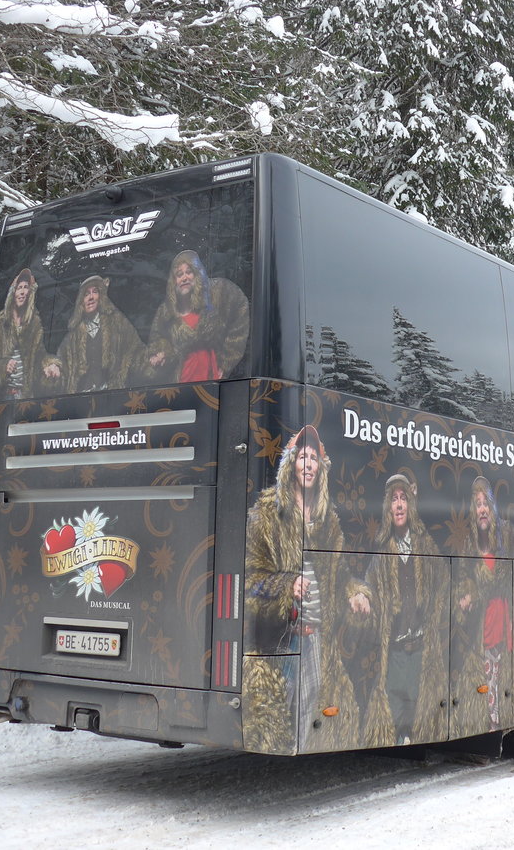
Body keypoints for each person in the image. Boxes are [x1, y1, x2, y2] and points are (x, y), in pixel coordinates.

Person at [242, 425, 362, 754]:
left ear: (320, 469)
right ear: (291, 465)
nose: (307, 464)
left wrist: (355, 592)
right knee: (280, 711)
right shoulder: (268, 513)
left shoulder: (328, 520)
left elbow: (340, 576)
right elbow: (249, 579)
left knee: (308, 711)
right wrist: (286, 585)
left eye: (313, 459)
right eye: (302, 457)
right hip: (282, 636)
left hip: (316, 636)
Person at [353, 474, 447, 746]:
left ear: (410, 505)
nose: (399, 505)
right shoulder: (383, 553)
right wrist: (361, 595)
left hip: (422, 652)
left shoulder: (425, 547)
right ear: (388, 508)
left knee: (421, 716)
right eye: (393, 499)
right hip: (394, 654)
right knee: (394, 719)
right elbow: (368, 586)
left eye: (403, 498)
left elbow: (444, 585)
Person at [454, 476, 514, 731]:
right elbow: (462, 582)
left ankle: (498, 726)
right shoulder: (469, 545)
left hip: (501, 627)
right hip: (480, 631)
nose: (481, 509)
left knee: (500, 681)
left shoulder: (506, 537)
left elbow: (502, 581)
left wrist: (476, 591)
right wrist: (465, 596)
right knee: (484, 683)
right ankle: (490, 727)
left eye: (485, 503)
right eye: (477, 504)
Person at [145, 250, 249, 383]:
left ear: (197, 274)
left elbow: (239, 310)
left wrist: (226, 361)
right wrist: (161, 353)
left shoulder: (218, 296)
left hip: (212, 383)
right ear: (174, 281)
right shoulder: (166, 312)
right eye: (179, 274)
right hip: (181, 383)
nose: (184, 278)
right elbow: (157, 340)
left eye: (189, 272)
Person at [55, 275, 145, 393]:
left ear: (101, 297)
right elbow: (60, 364)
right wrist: (53, 368)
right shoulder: (73, 335)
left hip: (113, 399)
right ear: (81, 301)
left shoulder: (118, 323)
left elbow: (137, 350)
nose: (91, 297)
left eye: (95, 292)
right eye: (86, 294)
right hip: (81, 402)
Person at [0, 268, 59, 399]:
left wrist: (50, 364)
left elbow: (40, 356)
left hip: (27, 398)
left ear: (30, 293)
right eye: (19, 287)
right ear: (13, 293)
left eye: (26, 287)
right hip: (3, 398)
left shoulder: (35, 324)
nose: (22, 291)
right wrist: (4, 366)